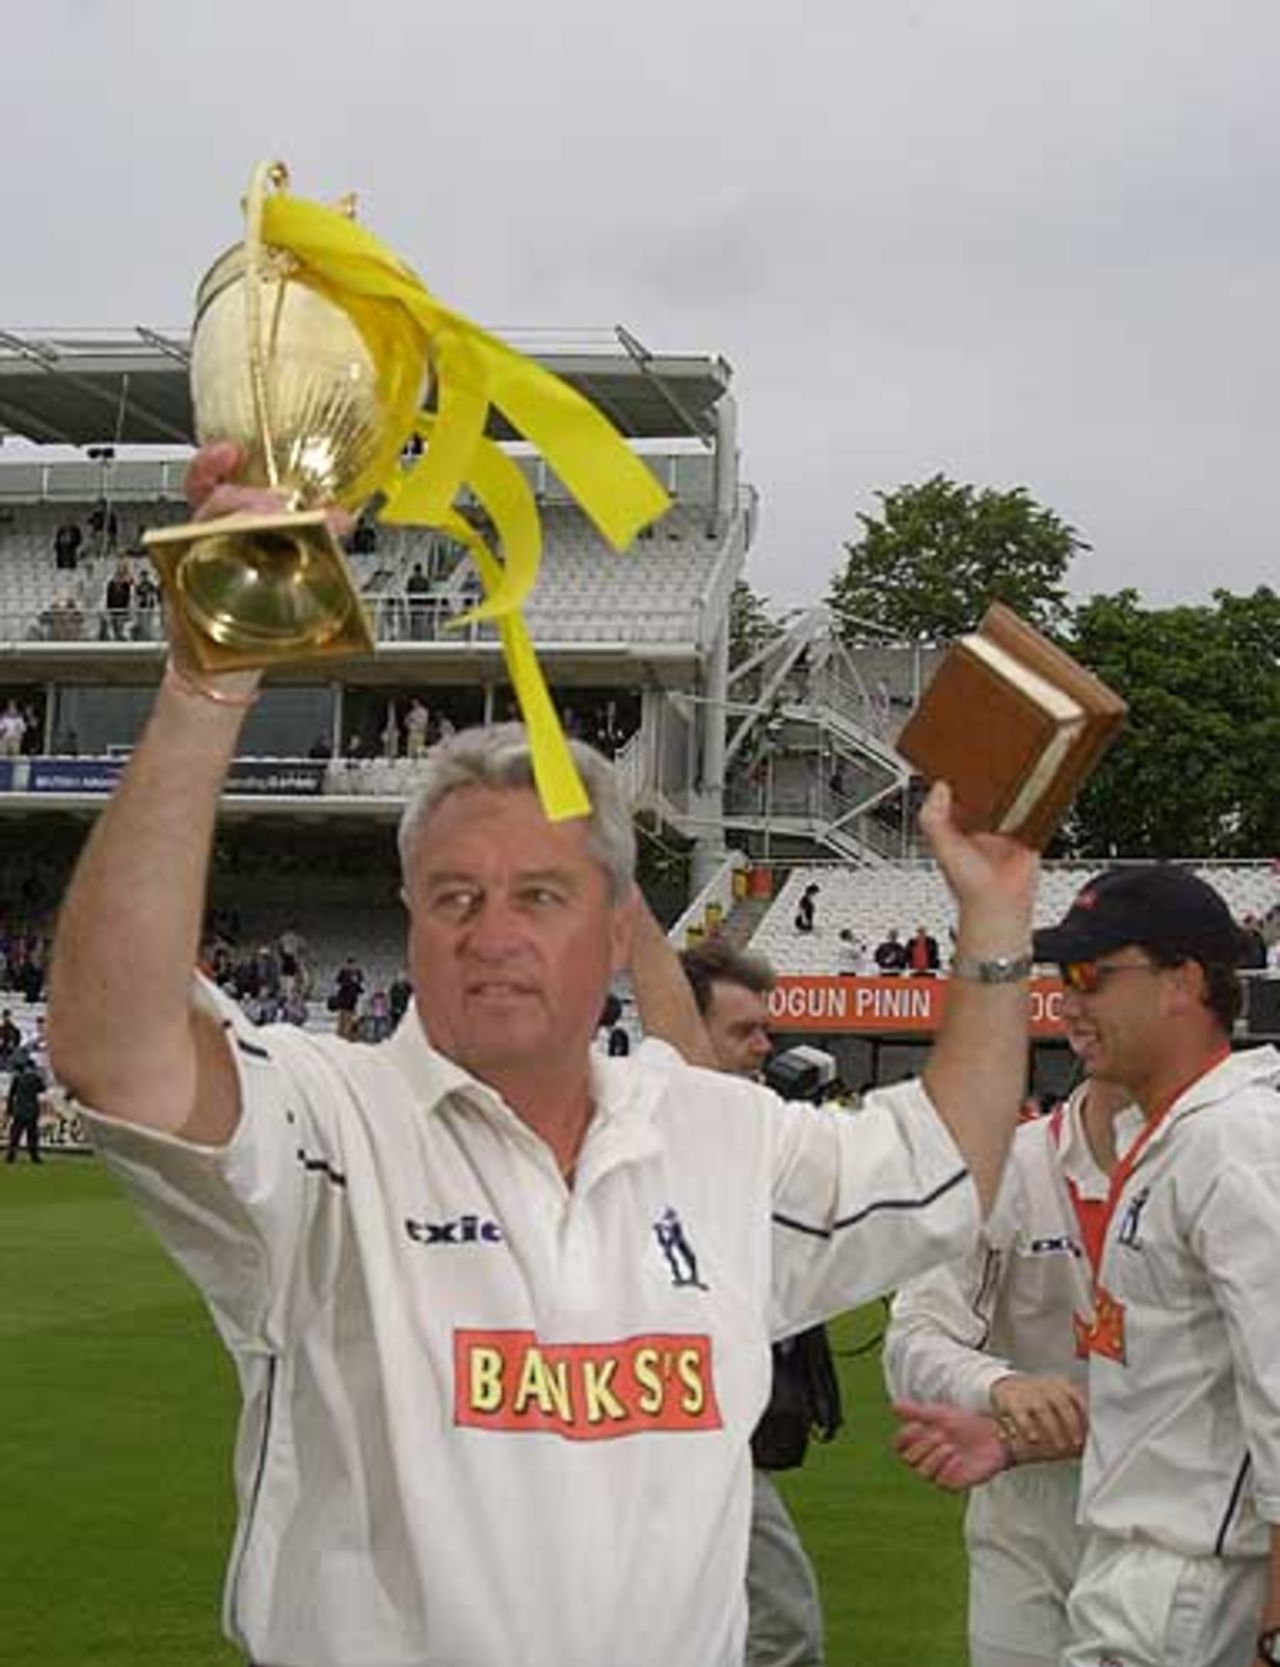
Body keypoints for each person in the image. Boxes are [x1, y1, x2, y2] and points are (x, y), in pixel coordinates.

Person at [46, 438, 1040, 1667]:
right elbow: (112, 1044)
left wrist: (993, 924)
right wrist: (208, 682)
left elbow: (943, 1164)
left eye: (539, 895)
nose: (493, 934)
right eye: (453, 896)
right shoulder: (327, 1120)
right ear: (409, 916)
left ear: (620, 930)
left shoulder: (715, 1134)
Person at [891, 865, 1280, 1667]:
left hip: (1184, 1575)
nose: (1066, 999)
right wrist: (1015, 1434)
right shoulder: (1180, 1137)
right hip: (1137, 1561)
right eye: (1061, 975)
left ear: (1184, 982)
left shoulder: (1232, 1138)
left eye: (1091, 975)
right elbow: (1177, 1394)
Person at [885, 1065, 1140, 1667]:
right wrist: (998, 1385)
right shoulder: (1008, 1167)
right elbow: (913, 1338)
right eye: (1081, 982)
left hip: (1174, 1519)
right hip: (1025, 1521)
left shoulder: (1234, 1160)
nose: (1086, 1008)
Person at [630, 928, 833, 1667]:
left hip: (708, 1438)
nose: (763, 1046)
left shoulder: (749, 1139)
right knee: (784, 1627)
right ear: (681, 1031)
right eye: (743, 1030)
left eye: (766, 1029)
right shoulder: (635, 1144)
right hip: (671, 1440)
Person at [5, 1050, 45, 1164]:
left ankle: (11, 1156)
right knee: (32, 1135)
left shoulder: (17, 1078)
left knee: (15, 1135)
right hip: (32, 1110)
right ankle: (34, 1156)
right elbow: (42, 1089)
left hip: (19, 1109)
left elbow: (11, 1094)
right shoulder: (36, 1078)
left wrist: (9, 1109)